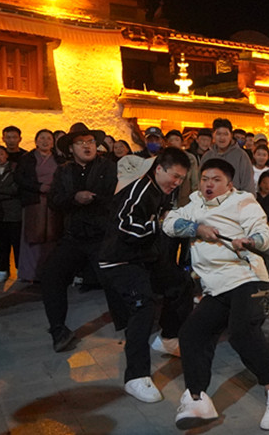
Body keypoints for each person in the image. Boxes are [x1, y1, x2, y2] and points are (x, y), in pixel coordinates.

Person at [162, 158, 269, 431]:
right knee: (191, 333)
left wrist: (250, 241)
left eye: (216, 179)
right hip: (215, 286)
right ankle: (197, 398)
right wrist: (197, 228)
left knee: (242, 332)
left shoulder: (243, 201)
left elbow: (263, 232)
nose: (209, 184)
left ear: (229, 184)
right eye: (205, 179)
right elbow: (168, 223)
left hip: (246, 278)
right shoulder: (194, 203)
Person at [96, 148, 191, 403]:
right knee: (143, 306)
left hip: (143, 258)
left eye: (182, 179)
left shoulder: (161, 191)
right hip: (119, 260)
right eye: (174, 176)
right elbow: (124, 225)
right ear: (158, 168)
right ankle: (136, 376)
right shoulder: (139, 189)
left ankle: (168, 338)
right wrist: (157, 224)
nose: (177, 182)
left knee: (180, 283)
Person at [41, 123, 118, 352]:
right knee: (51, 275)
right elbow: (54, 201)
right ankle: (58, 330)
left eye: (91, 141)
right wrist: (74, 198)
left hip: (102, 236)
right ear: (71, 148)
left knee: (115, 282)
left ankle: (131, 324)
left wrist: (94, 199)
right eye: (81, 142)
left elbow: (117, 198)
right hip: (73, 236)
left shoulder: (108, 167)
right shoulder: (64, 171)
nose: (87, 146)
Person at [15, 129, 62, 283]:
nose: (45, 141)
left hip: (53, 202)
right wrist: (39, 187)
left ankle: (48, 272)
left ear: (53, 143)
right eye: (42, 138)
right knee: (32, 237)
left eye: (49, 138)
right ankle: (30, 273)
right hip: (33, 201)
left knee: (52, 236)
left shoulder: (59, 159)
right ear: (36, 141)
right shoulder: (27, 158)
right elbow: (19, 178)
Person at [0, 145, 21, 283]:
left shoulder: (15, 168)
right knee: (0, 242)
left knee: (17, 242)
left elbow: (17, 188)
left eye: (1, 154)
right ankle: (2, 269)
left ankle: (20, 269)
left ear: (6, 155)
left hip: (14, 211)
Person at [202, 118, 256, 194]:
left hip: (235, 199)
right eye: (218, 134)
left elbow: (248, 183)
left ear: (231, 135)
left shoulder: (241, 155)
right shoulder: (207, 156)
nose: (222, 138)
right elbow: (201, 182)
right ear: (213, 135)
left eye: (225, 134)